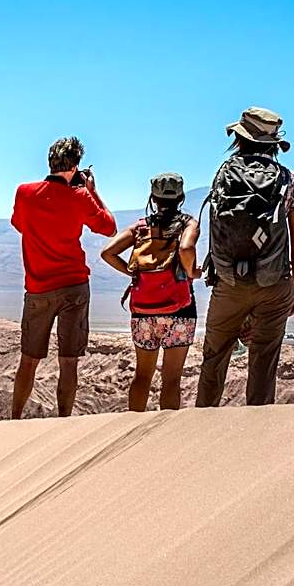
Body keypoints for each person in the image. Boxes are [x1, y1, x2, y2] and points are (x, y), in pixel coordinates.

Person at [196, 107, 294, 406]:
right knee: (263, 362)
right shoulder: (289, 179)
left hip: (228, 282)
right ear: (273, 143)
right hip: (274, 283)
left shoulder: (222, 174)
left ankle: (197, 431)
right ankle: (255, 438)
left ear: (240, 139)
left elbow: (217, 228)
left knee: (214, 359)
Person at [10, 136, 117, 419]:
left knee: (29, 360)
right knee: (68, 362)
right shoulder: (80, 197)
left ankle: (14, 419)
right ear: (76, 167)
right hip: (74, 287)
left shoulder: (24, 193)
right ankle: (63, 422)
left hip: (37, 289)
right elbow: (109, 227)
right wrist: (92, 191)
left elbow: (19, 223)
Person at [101, 173, 201, 411]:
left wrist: (132, 273)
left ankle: (132, 427)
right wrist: (192, 272)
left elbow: (107, 252)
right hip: (180, 310)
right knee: (171, 379)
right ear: (181, 197)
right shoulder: (188, 223)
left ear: (153, 198)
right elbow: (187, 248)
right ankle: (166, 435)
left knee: (142, 376)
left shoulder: (141, 227)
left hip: (143, 311)